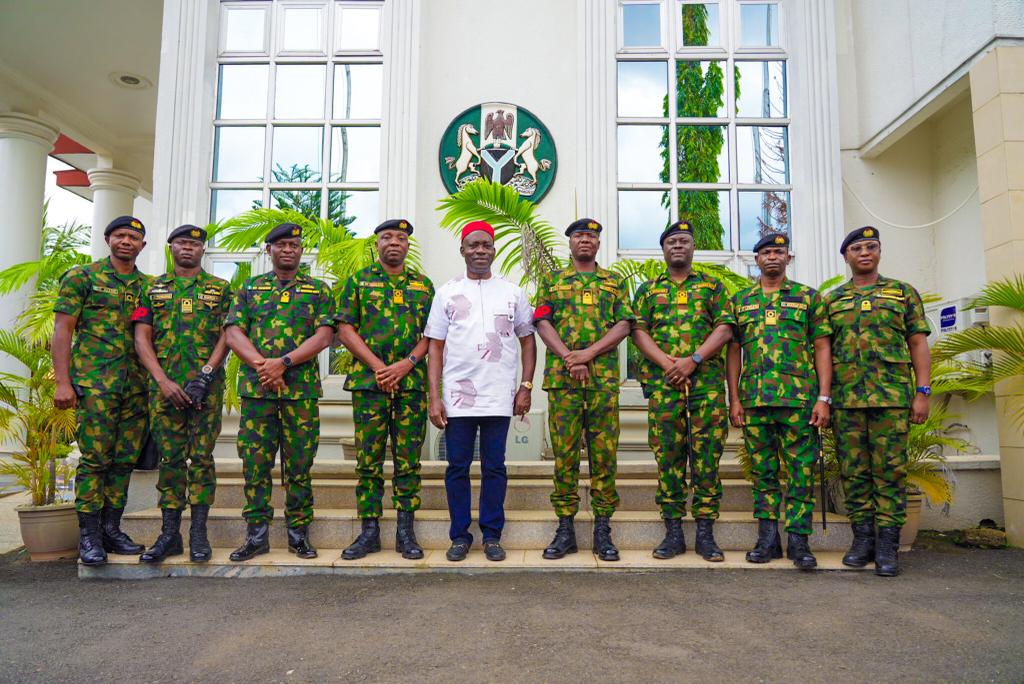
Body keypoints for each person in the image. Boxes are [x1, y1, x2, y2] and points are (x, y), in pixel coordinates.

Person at [224, 223, 337, 561]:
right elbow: (233, 332)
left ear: (302, 251)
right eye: (282, 245)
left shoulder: (318, 290)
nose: (289, 250)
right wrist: (264, 366)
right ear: (268, 249)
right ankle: (256, 535)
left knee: (300, 465)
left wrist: (283, 363)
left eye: (295, 245)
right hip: (258, 394)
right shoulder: (250, 288)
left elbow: (324, 336)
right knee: (255, 464)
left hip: (299, 393)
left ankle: (298, 535)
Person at [425, 221, 536, 562]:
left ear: (494, 250)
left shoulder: (513, 292)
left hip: (499, 396)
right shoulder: (446, 292)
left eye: (486, 245)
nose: (480, 251)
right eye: (473, 245)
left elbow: (528, 341)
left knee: (495, 467)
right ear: (462, 250)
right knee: (457, 467)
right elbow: (435, 348)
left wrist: (526, 386)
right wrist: (434, 396)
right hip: (458, 398)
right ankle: (460, 535)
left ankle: (491, 535)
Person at [825, 226, 931, 577]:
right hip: (847, 399)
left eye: (871, 246)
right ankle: (862, 539)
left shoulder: (902, 293)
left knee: (890, 472)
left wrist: (923, 391)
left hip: (892, 399)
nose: (864, 252)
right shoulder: (834, 300)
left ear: (880, 252)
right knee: (854, 473)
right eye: (857, 248)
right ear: (847, 257)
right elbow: (822, 352)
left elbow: (917, 343)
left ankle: (888, 544)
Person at [725, 232, 831, 569]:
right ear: (756, 260)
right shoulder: (741, 301)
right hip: (755, 401)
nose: (773, 257)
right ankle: (767, 539)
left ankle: (799, 542)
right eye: (766, 252)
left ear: (788, 258)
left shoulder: (808, 298)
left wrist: (823, 398)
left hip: (799, 401)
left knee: (801, 472)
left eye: (779, 252)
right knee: (763, 472)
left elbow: (822, 348)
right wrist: (735, 399)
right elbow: (733, 352)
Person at [631, 220, 734, 562]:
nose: (678, 246)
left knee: (706, 458)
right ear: (663, 249)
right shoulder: (647, 290)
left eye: (684, 241)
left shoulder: (713, 287)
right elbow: (639, 332)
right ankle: (673, 531)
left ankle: (706, 534)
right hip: (664, 387)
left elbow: (724, 328)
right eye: (672, 241)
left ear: (693, 248)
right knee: (669, 457)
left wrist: (693, 360)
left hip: (704, 386)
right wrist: (667, 364)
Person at [52, 215, 150, 566]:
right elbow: (63, 330)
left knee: (123, 462)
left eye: (134, 237)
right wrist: (63, 381)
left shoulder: (148, 287)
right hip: (95, 386)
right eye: (121, 235)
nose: (127, 241)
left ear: (143, 245)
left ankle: (112, 529)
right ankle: (89, 537)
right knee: (95, 461)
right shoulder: (83, 277)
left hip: (135, 389)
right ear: (108, 238)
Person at [534, 218, 633, 562]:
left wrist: (588, 354)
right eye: (579, 235)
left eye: (591, 236)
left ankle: (603, 529)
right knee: (565, 456)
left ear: (599, 243)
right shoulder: (553, 281)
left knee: (604, 456)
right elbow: (542, 322)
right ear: (570, 242)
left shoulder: (614, 282)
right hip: (564, 383)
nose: (586, 241)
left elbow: (624, 324)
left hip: (602, 382)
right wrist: (568, 357)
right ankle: (565, 530)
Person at [132, 224, 231, 563]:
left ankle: (198, 534)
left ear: (203, 250)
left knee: (202, 458)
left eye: (195, 244)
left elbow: (228, 335)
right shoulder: (152, 288)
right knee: (171, 461)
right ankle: (169, 534)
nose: (189, 248)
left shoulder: (220, 289)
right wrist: (162, 380)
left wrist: (206, 374)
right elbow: (142, 338)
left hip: (206, 389)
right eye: (182, 243)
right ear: (170, 246)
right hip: (164, 389)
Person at [337, 219, 433, 561]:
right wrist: (379, 367)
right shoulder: (358, 282)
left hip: (410, 386)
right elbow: (345, 329)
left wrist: (406, 364)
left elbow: (432, 335)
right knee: (369, 460)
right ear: (376, 243)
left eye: (402, 237)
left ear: (408, 245)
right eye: (387, 237)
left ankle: (405, 532)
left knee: (408, 460)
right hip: (370, 385)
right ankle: (369, 532)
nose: (395, 242)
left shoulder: (423, 285)